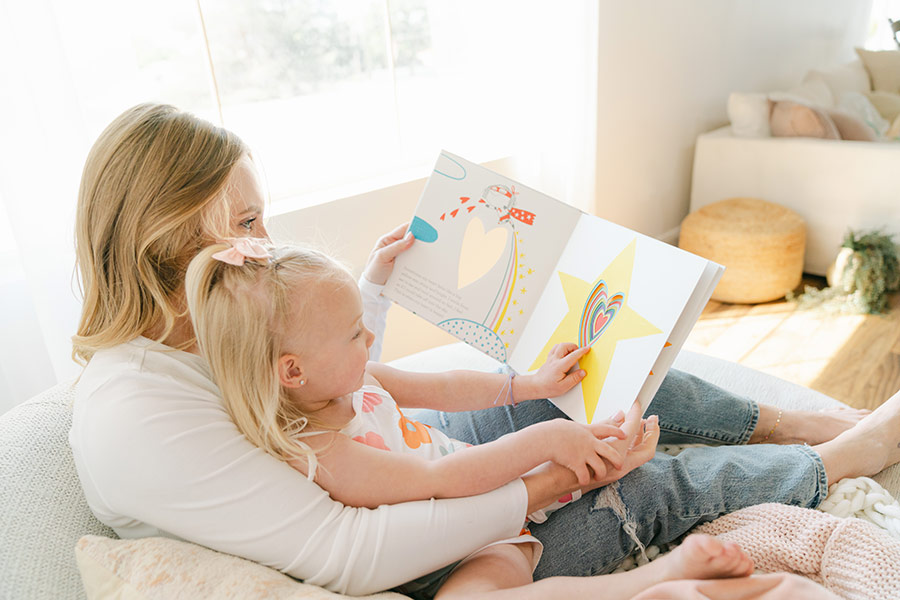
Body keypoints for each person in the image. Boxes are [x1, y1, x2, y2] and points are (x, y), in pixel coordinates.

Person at [69, 103, 900, 597]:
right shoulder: (139, 415)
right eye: (247, 224)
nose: (263, 241)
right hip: (432, 541)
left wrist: (376, 296)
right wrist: (544, 475)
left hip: (414, 470)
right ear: (167, 232)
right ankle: (839, 460)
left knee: (595, 379)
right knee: (645, 481)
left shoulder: (204, 320)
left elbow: (348, 381)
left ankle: (794, 424)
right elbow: (355, 547)